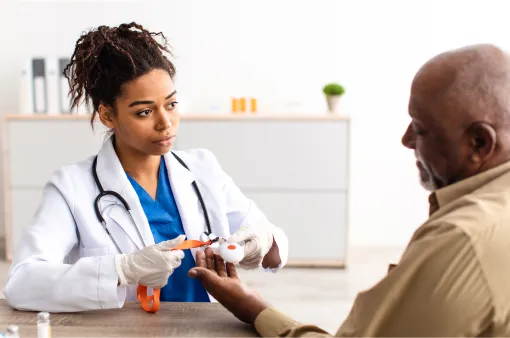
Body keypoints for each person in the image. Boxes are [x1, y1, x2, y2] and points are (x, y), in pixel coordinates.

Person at [187, 43, 510, 337]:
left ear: (480, 142)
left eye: (421, 129)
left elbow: (269, 239)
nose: (407, 140)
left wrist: (256, 310)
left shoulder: (461, 240)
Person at [3, 22, 288, 313]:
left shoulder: (203, 168)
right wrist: (123, 269)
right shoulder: (71, 187)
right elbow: (22, 283)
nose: (165, 123)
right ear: (107, 115)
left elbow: (272, 246)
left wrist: (264, 242)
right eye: (145, 112)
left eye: (172, 104)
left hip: (207, 328)